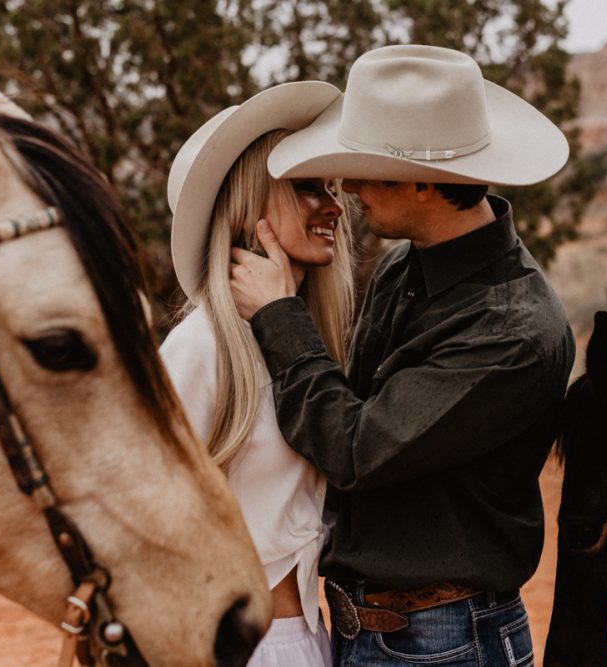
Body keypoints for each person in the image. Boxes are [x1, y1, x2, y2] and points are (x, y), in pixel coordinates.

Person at [228, 45, 576, 666]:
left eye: (366, 170)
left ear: (423, 181)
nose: (352, 187)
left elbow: (353, 448)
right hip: (371, 631)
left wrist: (280, 315)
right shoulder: (399, 268)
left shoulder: (512, 331)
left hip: (446, 643)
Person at [160, 81, 354, 667]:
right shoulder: (200, 347)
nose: (334, 206)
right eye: (305, 188)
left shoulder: (307, 345)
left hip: (314, 642)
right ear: (247, 202)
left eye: (332, 187)